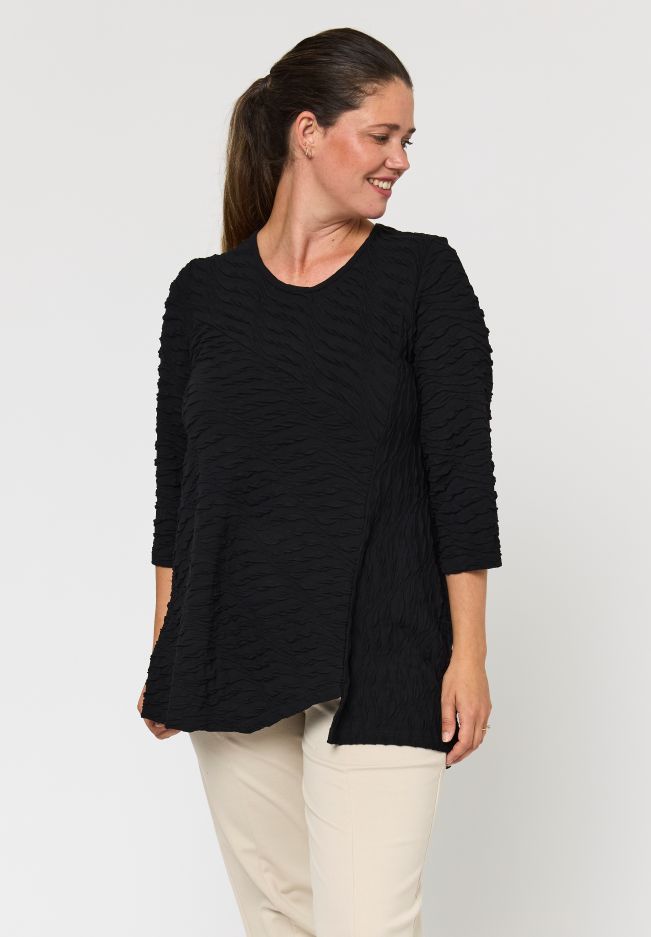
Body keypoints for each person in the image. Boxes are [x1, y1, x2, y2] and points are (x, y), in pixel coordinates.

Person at [137, 26, 502, 937]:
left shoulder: (422, 277)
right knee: (280, 920)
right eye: (380, 135)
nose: (399, 160)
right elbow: (179, 491)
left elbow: (460, 475)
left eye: (407, 140)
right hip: (230, 641)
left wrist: (467, 653)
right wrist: (166, 646)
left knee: (367, 923)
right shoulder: (203, 295)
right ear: (307, 131)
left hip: (384, 647)